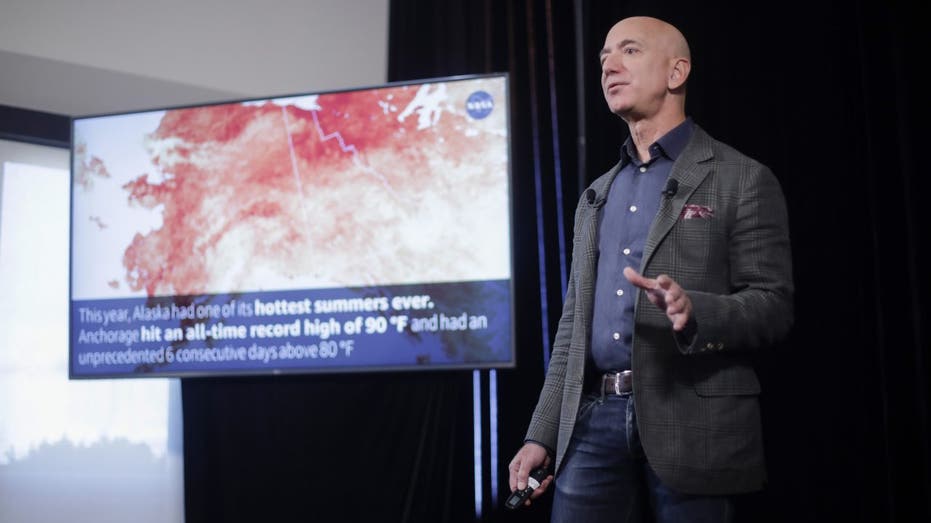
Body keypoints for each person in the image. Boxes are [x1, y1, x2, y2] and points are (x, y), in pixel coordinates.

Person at [507, 15, 794, 523]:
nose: (609, 67)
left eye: (630, 51)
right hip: (593, 425)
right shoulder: (596, 195)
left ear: (676, 72)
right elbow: (573, 326)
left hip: (694, 420)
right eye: (603, 59)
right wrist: (541, 433)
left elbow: (773, 305)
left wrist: (695, 310)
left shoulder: (742, 178)